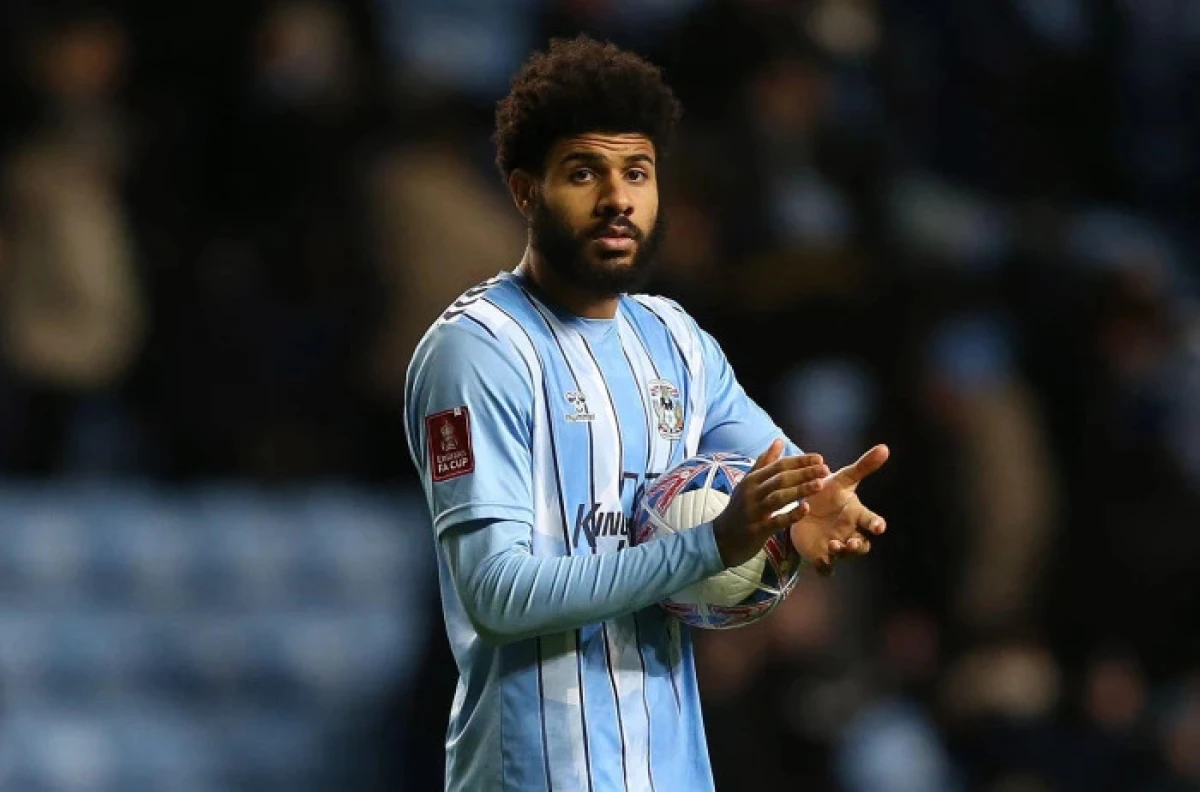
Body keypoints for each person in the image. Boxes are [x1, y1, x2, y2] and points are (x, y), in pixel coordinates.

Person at [404, 35, 891, 792]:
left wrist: (810, 516)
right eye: (582, 173)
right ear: (524, 190)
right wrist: (707, 547)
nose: (617, 199)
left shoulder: (678, 343)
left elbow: (785, 477)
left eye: (637, 172)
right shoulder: (476, 353)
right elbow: (496, 595)